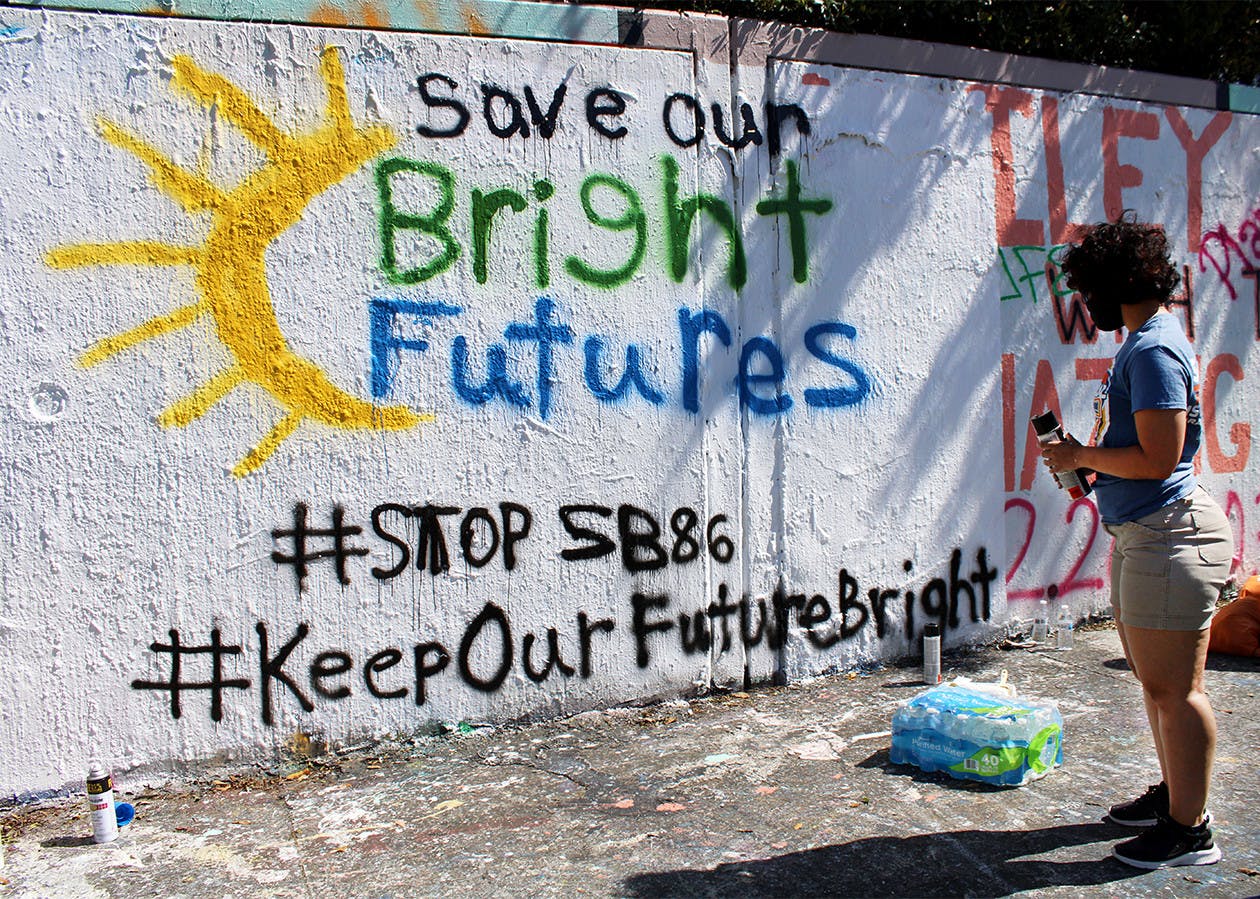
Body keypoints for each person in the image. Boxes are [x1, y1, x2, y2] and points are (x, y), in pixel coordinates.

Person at [1041, 212, 1234, 870]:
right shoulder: (1147, 341)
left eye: (1088, 288)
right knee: (1158, 686)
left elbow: (1159, 457)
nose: (1085, 302)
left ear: (1115, 284)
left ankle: (1190, 829)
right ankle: (1176, 796)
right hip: (1146, 533)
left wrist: (1079, 454)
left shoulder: (1151, 349)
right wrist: (1089, 463)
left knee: (1178, 690)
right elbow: (1143, 451)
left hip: (1170, 535)